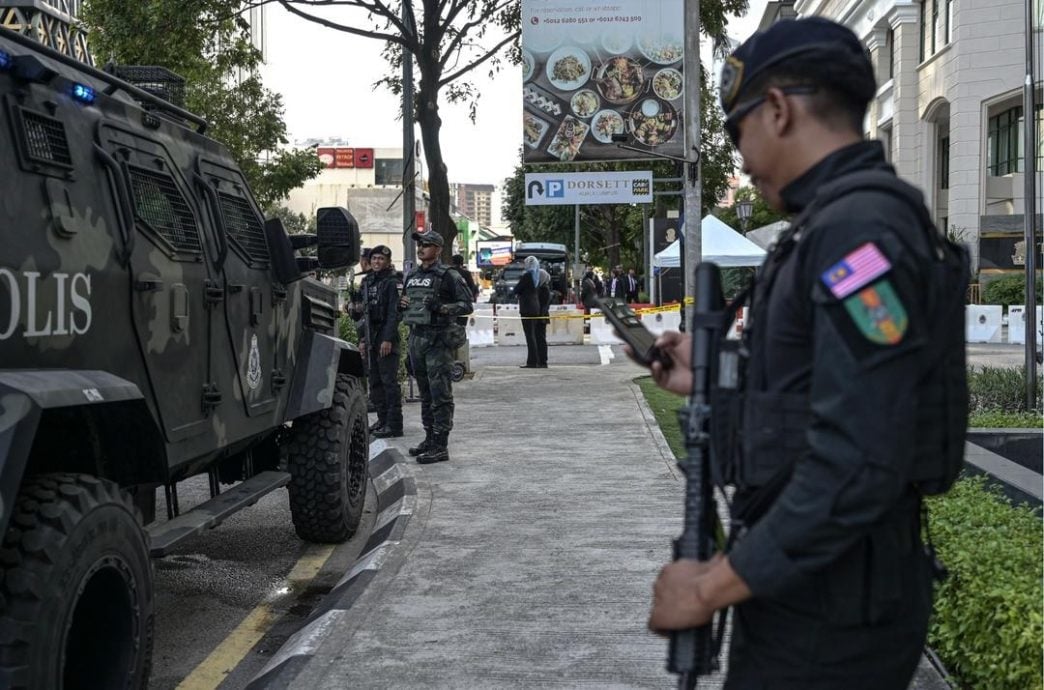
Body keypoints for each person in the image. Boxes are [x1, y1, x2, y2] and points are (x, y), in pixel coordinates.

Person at [640, 18, 968, 689]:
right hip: (814, 588)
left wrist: (709, 588)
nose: (742, 159)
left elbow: (860, 455)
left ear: (780, 110)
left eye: (738, 132)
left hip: (833, 609)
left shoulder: (857, 233)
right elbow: (824, 388)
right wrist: (713, 378)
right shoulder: (833, 223)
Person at [399, 230, 474, 464]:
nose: (421, 248)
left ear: (439, 250)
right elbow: (406, 302)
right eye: (420, 244)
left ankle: (441, 444)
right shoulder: (412, 275)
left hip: (438, 341)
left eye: (427, 244)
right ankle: (430, 438)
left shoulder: (448, 275)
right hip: (417, 339)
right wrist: (402, 305)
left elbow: (466, 305)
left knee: (440, 393)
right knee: (425, 393)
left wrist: (441, 308)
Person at [360, 245, 403, 438]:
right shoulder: (367, 282)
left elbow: (394, 314)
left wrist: (388, 339)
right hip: (371, 337)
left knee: (389, 382)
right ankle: (382, 419)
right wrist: (362, 339)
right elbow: (364, 313)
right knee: (375, 382)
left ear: (387, 262)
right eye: (374, 258)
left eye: (381, 259)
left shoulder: (392, 282)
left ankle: (394, 425)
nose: (377, 262)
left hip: (386, 338)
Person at [512, 255, 551, 368]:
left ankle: (533, 361)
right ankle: (538, 361)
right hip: (535, 309)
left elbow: (516, 289)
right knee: (534, 336)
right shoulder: (536, 278)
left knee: (531, 336)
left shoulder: (528, 275)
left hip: (528, 309)